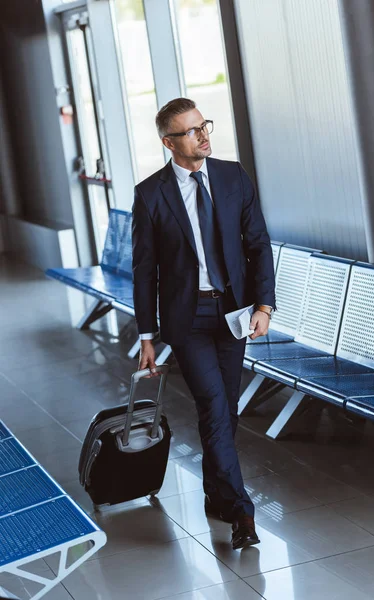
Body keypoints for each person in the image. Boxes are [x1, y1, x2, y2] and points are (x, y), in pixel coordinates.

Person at [132, 98, 276, 550]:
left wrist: (264, 307)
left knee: (225, 410)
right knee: (214, 406)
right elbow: (145, 271)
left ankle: (215, 492)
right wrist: (147, 335)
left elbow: (258, 244)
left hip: (234, 312)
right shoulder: (151, 193)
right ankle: (241, 513)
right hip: (187, 318)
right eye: (191, 131)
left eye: (203, 125)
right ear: (168, 143)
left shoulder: (233, 176)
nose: (203, 135)